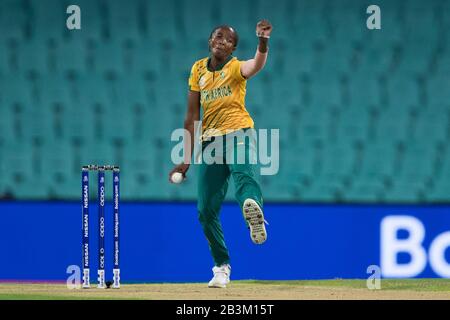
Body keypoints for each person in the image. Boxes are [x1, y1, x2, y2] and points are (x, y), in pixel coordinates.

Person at [169, 20, 273, 288]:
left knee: (243, 175)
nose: (222, 41)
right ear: (210, 41)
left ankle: (253, 211)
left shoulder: (236, 68)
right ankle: (221, 266)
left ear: (233, 48)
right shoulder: (197, 70)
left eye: (228, 40)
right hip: (210, 143)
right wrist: (186, 158)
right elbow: (192, 115)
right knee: (205, 210)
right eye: (218, 36)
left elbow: (256, 65)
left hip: (239, 133)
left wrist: (262, 41)